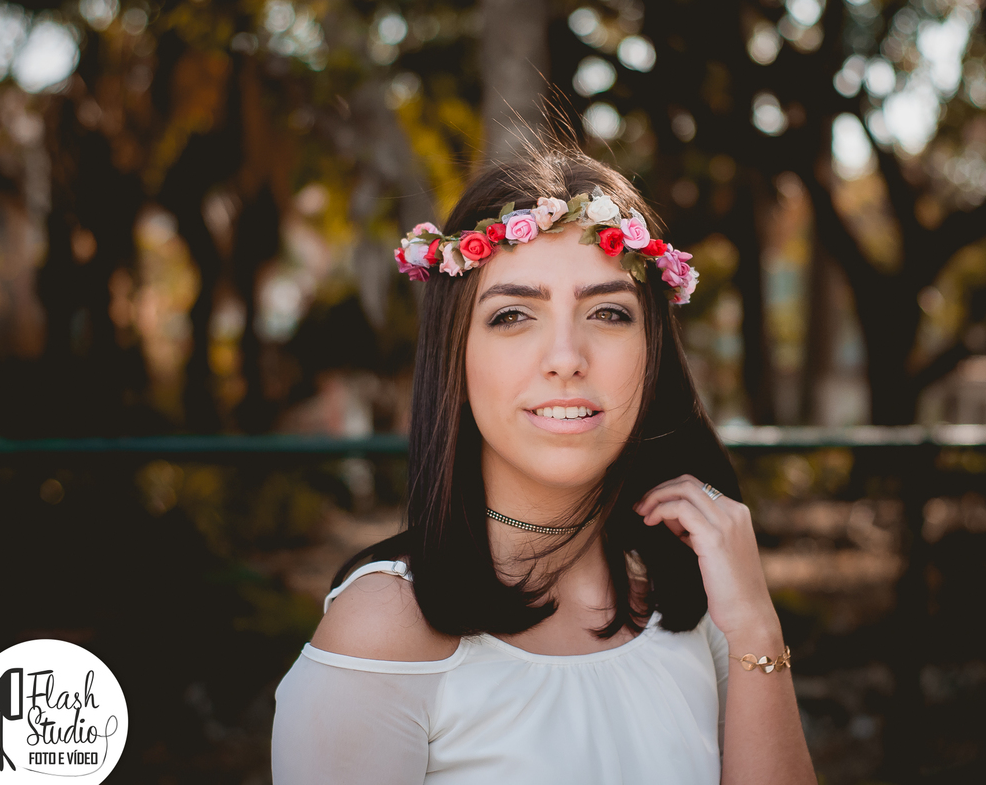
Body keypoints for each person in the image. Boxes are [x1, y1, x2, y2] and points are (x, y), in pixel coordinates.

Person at [270, 137, 816, 785]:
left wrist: (757, 625)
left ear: (653, 354)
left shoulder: (701, 596)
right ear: (457, 357)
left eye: (609, 312)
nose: (565, 356)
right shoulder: (383, 628)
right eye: (512, 315)